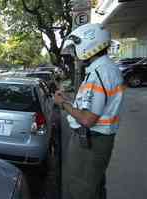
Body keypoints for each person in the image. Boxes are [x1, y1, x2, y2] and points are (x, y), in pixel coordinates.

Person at [55, 23, 125, 199]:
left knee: (81, 189)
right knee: (94, 186)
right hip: (98, 139)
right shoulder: (107, 68)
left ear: (88, 45)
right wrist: (70, 101)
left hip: (92, 140)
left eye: (75, 47)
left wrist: (63, 104)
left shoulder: (99, 74)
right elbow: (91, 106)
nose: (74, 53)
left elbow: (87, 119)